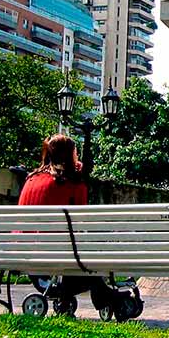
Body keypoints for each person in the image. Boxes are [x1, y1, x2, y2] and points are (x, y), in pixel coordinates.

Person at [19, 134, 139, 318]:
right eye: (75, 154)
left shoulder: (31, 179)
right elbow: (80, 221)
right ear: (69, 156)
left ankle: (81, 299)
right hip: (58, 257)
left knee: (77, 258)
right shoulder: (70, 183)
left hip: (28, 257)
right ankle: (110, 299)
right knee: (87, 260)